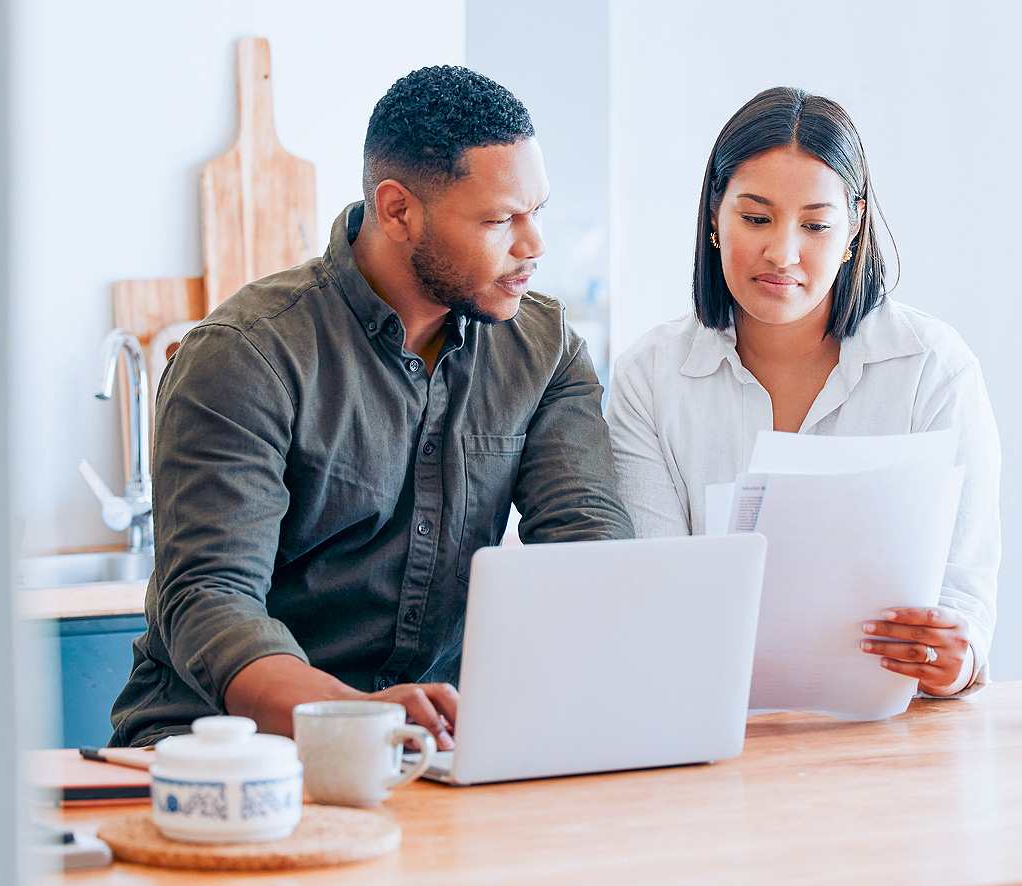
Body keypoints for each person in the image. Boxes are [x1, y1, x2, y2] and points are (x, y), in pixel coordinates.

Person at [110, 66, 633, 748]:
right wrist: (364, 721)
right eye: (501, 219)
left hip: (429, 749)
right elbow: (212, 602)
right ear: (397, 211)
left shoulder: (546, 347)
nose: (533, 247)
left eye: (537, 212)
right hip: (230, 752)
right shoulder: (244, 356)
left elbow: (587, 548)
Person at [605, 87, 999, 697]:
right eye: (756, 218)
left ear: (853, 228)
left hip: (887, 741)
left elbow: (964, 601)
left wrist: (958, 658)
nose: (782, 253)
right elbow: (655, 596)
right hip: (707, 728)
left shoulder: (933, 369)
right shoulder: (650, 379)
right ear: (715, 215)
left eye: (815, 224)